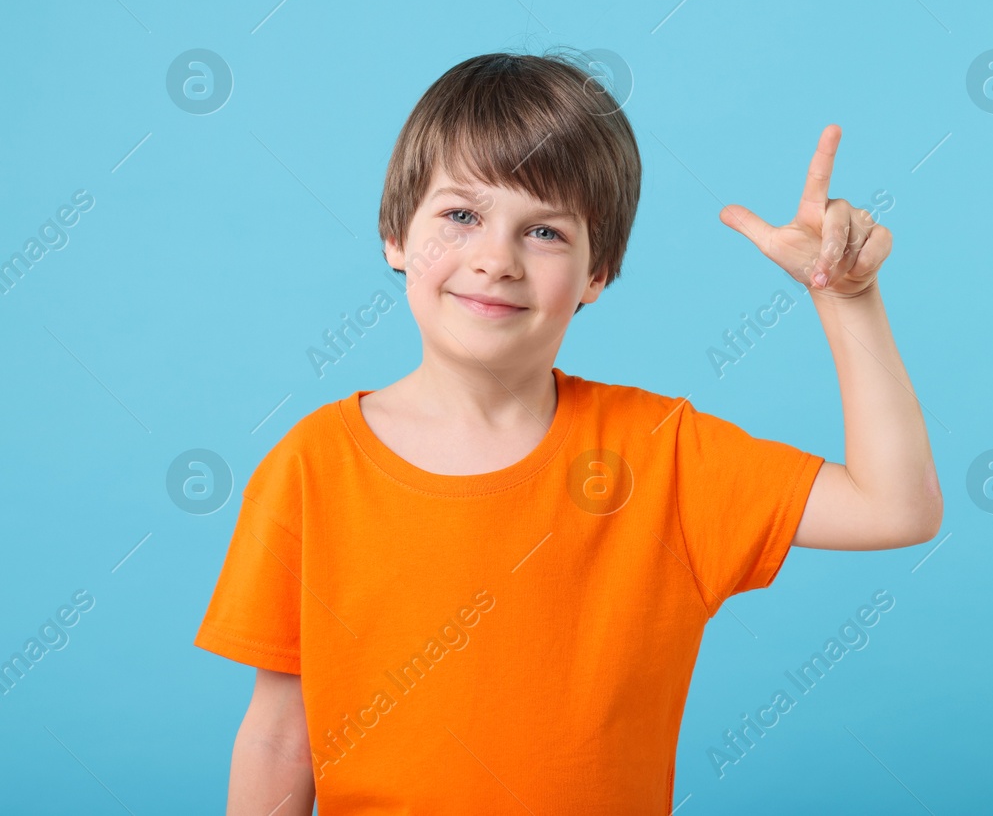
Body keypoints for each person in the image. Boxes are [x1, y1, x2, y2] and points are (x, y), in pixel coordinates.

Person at [193, 51, 942, 813]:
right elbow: (281, 734)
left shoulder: (661, 453)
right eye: (460, 215)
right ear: (395, 235)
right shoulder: (312, 465)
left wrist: (849, 301)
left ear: (597, 273)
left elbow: (898, 506)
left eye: (545, 231)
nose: (495, 259)